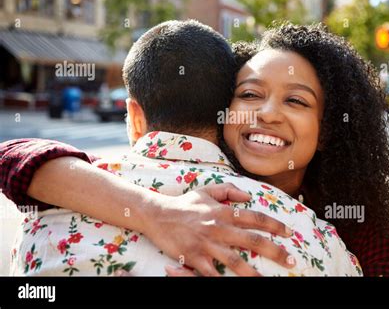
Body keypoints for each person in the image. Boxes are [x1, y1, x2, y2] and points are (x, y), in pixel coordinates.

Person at [3, 20, 362, 276]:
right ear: (227, 111)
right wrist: (153, 211)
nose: (267, 114)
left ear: (135, 115)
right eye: (252, 95)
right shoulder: (314, 240)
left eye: (296, 101)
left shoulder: (44, 222)